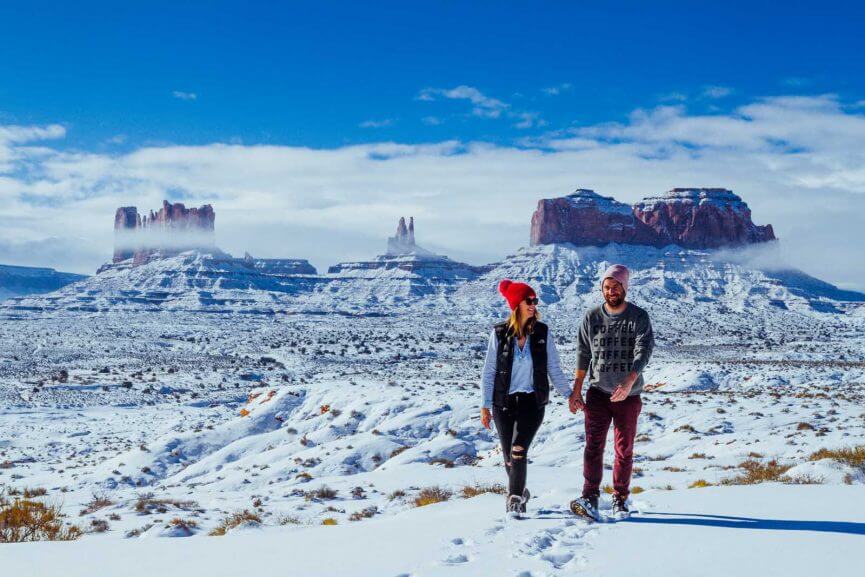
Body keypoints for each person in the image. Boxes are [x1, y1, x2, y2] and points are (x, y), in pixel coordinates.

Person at [568, 264, 654, 520]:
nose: (611, 291)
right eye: (607, 287)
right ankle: (590, 496)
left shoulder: (639, 317)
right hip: (597, 393)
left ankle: (620, 499)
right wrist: (576, 391)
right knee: (593, 446)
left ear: (624, 288)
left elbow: (644, 351)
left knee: (623, 449)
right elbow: (583, 354)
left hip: (629, 396)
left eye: (616, 287)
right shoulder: (591, 317)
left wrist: (628, 382)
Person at [480, 279, 573, 516]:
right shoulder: (499, 334)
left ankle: (514, 501)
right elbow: (489, 371)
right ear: (516, 304)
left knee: (519, 449)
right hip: (504, 403)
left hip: (532, 402)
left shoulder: (542, 333)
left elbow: (554, 368)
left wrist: (570, 395)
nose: (533, 305)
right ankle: (520, 490)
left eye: (535, 301)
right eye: (528, 300)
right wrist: (485, 405)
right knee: (509, 458)